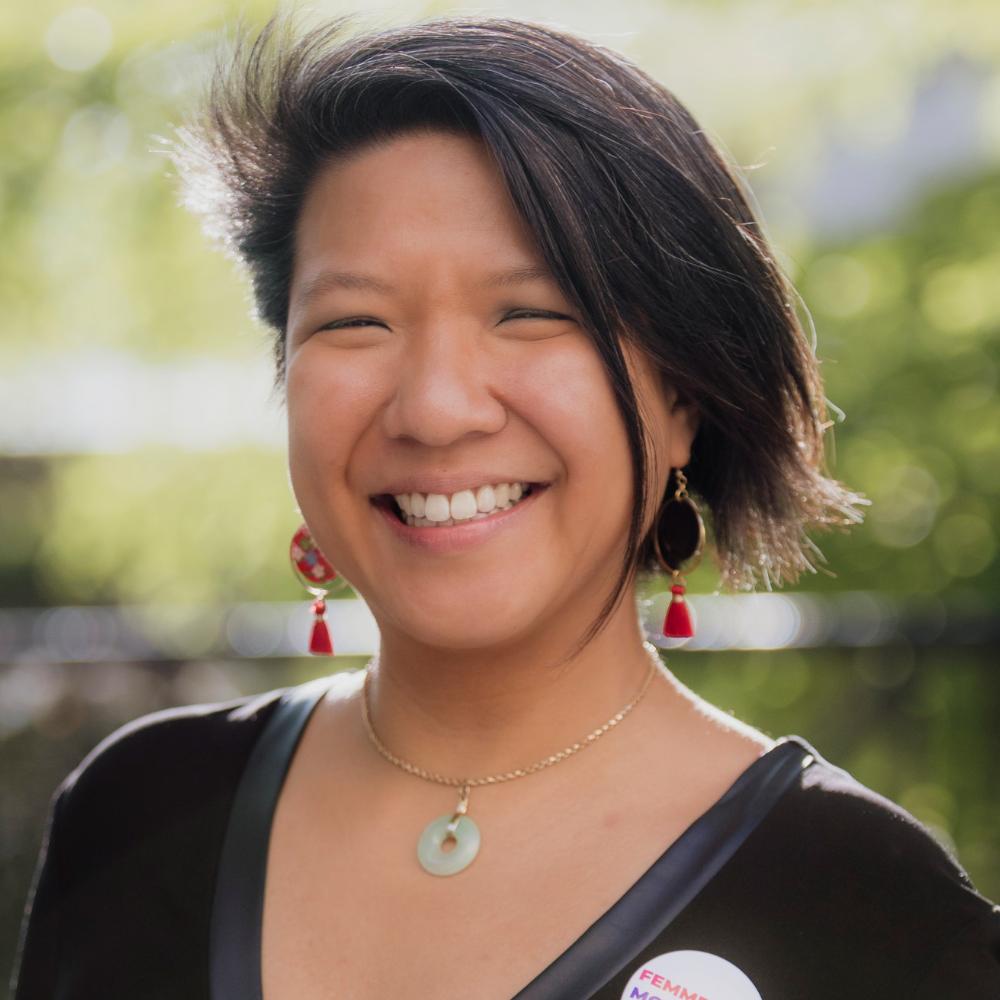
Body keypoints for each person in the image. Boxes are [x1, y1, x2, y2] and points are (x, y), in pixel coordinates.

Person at [12, 14, 1000, 1000]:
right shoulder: (135, 816)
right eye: (355, 321)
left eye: (530, 314)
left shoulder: (871, 914)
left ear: (683, 397)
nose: (436, 409)